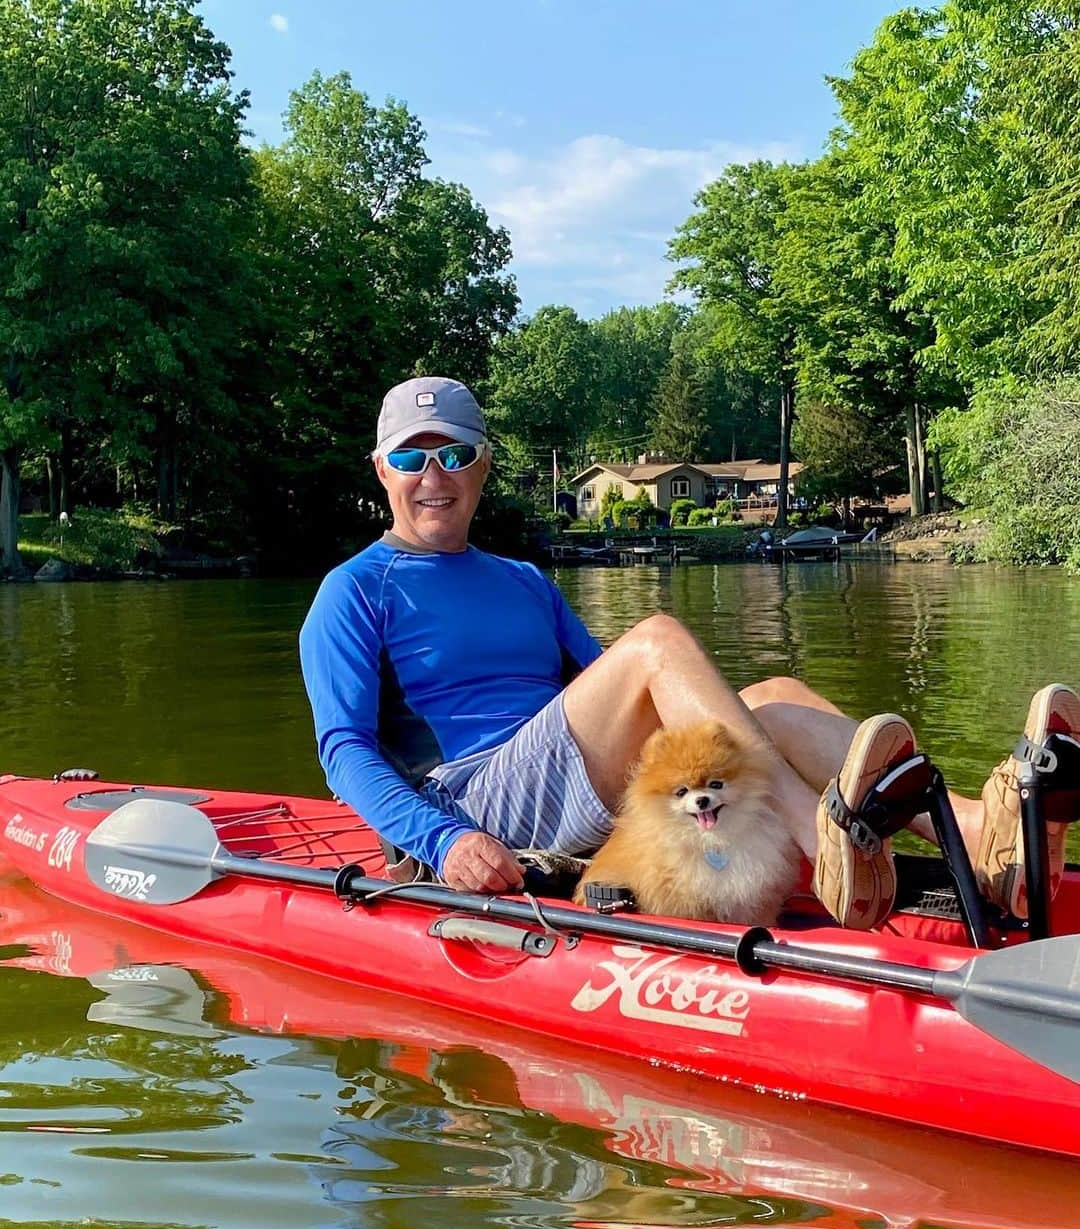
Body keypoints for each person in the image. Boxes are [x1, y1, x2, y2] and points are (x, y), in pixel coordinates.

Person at [300, 376, 1078, 926]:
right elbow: (344, 754)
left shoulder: (523, 581)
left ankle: (978, 835)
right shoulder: (355, 589)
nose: (432, 476)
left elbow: (626, 699)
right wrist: (446, 841)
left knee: (774, 695)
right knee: (657, 644)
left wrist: (748, 735)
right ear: (381, 471)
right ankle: (826, 842)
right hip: (473, 804)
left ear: (483, 466)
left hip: (562, 781)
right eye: (409, 458)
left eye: (453, 455)